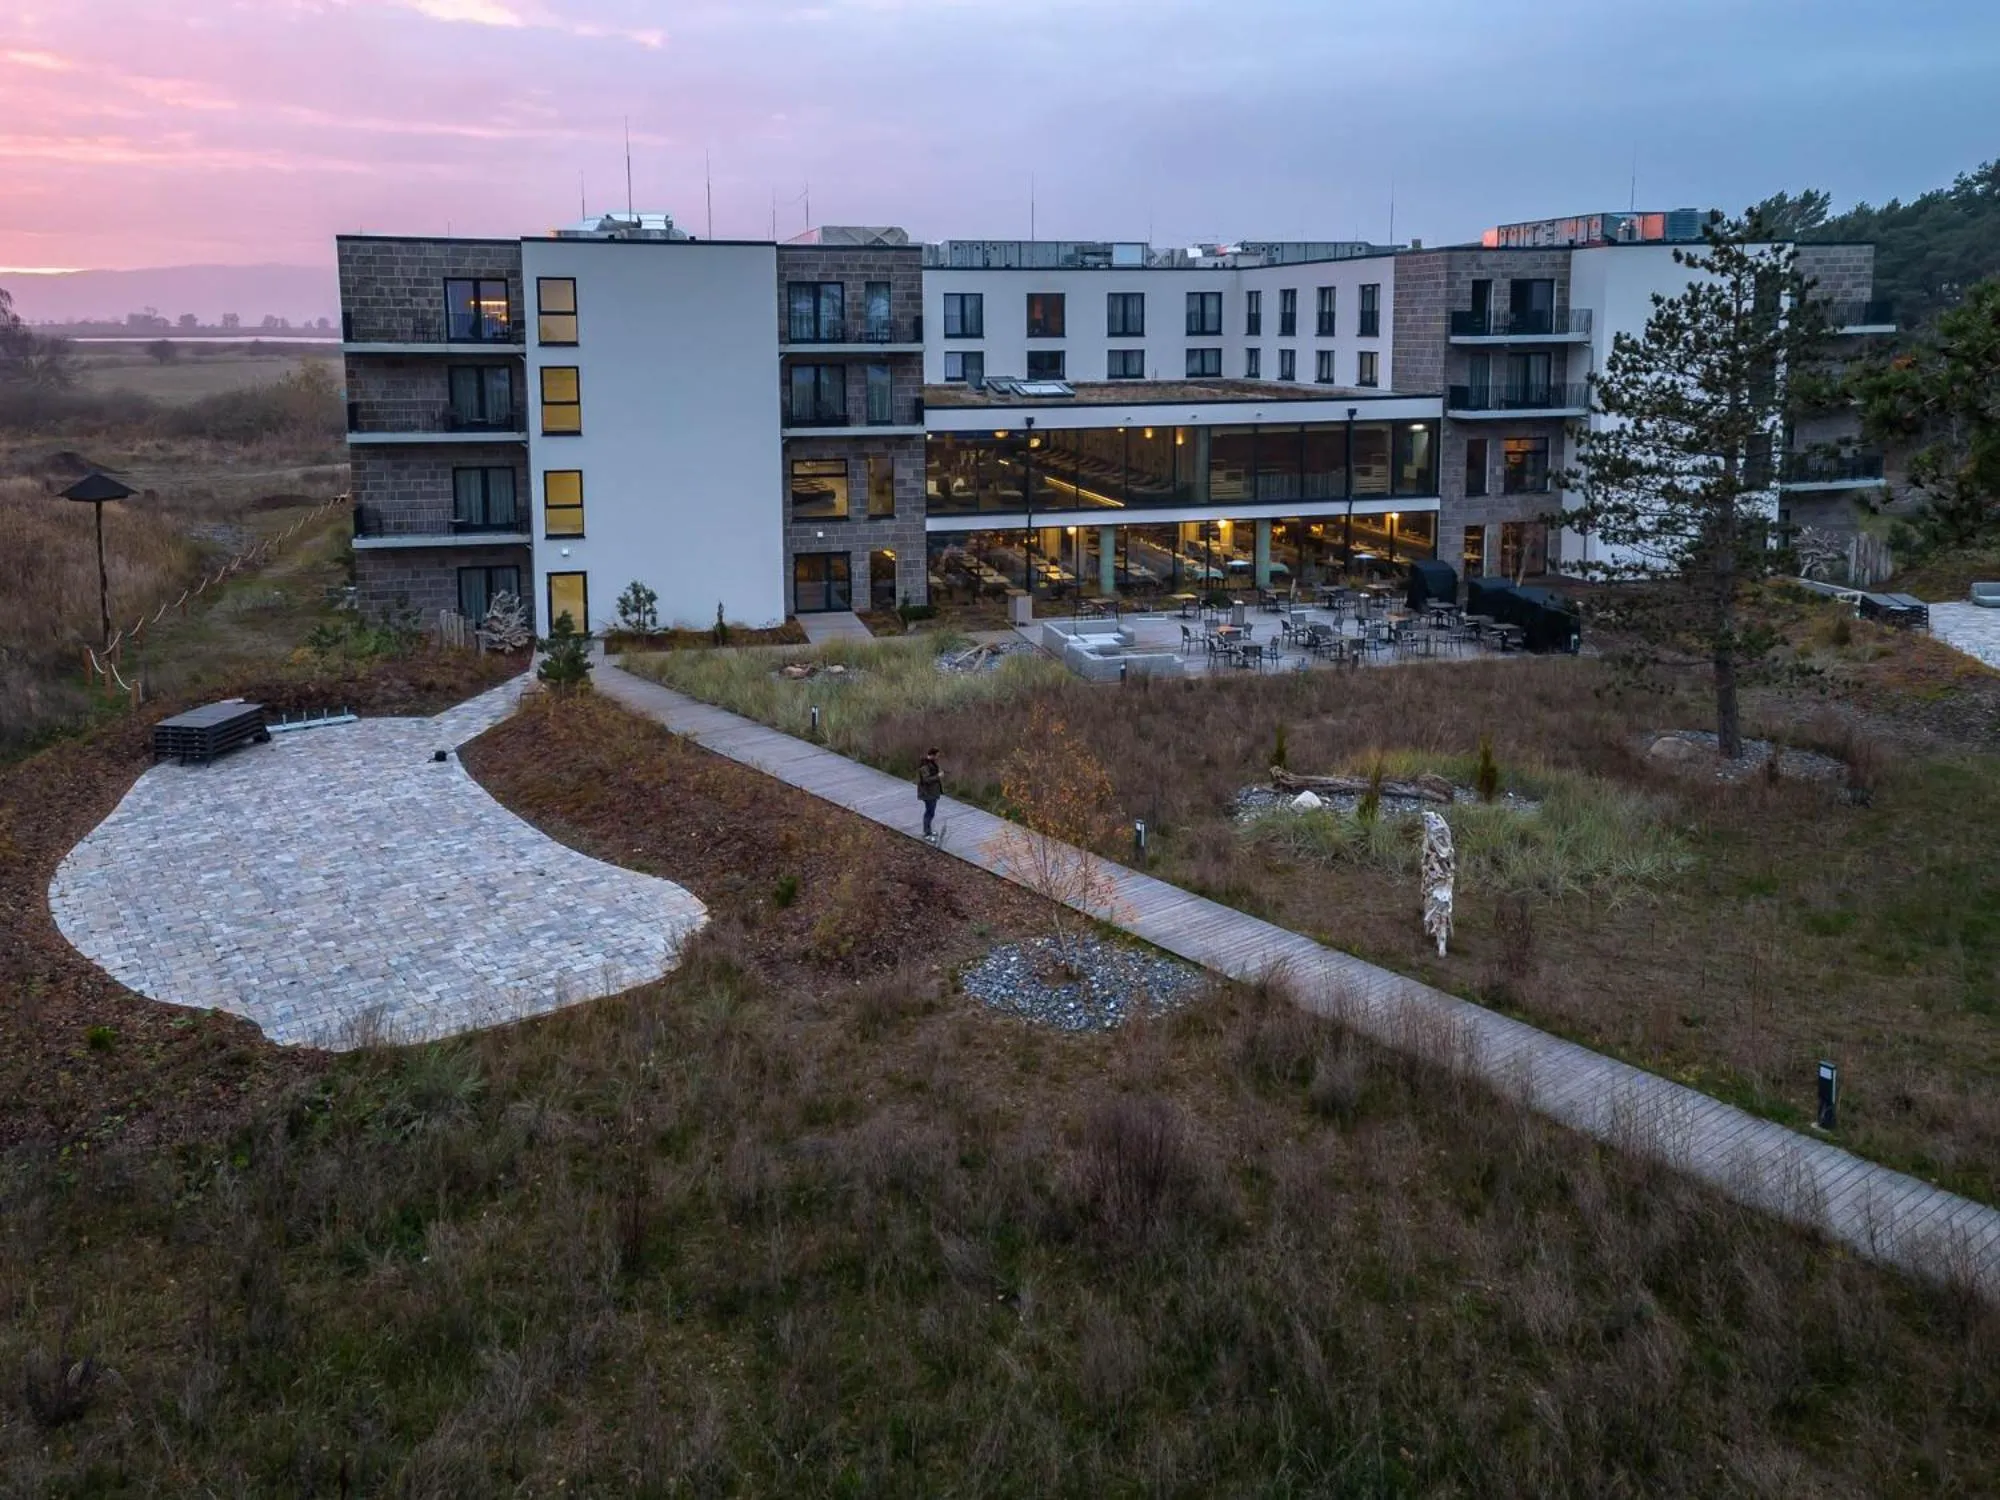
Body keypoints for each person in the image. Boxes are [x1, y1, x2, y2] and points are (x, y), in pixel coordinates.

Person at [916, 747, 944, 843]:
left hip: (932, 792)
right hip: (927, 793)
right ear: (932, 755)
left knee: (931, 812)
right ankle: (926, 833)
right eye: (937, 755)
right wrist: (938, 776)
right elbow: (926, 780)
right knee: (929, 813)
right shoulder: (924, 765)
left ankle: (929, 831)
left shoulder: (932, 763)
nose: (938, 757)